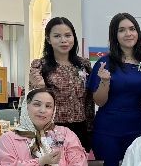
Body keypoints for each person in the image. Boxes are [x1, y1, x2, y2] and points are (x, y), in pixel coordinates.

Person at [87, 13, 141, 166]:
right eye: (122, 30)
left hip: (137, 130)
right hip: (107, 131)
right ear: (114, 35)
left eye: (132, 29)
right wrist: (105, 82)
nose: (128, 34)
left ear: (138, 32)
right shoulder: (104, 63)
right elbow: (99, 101)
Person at [29, 17, 94, 151]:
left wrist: (90, 127)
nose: (63, 40)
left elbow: (89, 100)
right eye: (57, 36)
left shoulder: (84, 65)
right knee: (56, 163)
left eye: (68, 35)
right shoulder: (40, 66)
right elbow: (32, 101)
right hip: (52, 128)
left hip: (81, 128)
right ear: (48, 39)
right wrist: (40, 86)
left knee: (79, 163)